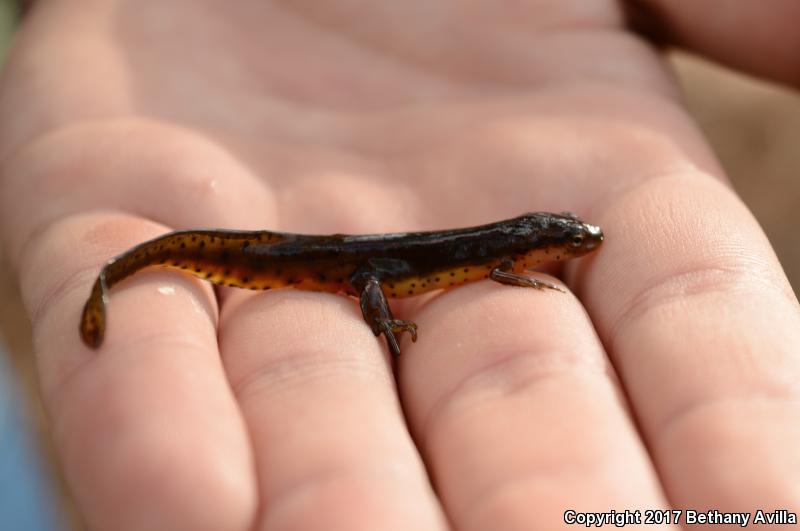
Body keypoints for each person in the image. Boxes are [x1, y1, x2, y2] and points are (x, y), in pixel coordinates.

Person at [1, 2, 798, 530]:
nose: (584, 244)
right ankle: (130, 278)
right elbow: (492, 263)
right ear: (541, 243)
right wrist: (383, 311)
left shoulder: (515, 251)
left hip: (371, 260)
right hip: (362, 267)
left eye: (579, 239)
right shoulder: (513, 252)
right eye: (574, 239)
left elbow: (509, 261)